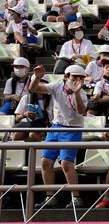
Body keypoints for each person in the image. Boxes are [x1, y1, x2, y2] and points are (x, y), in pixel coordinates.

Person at [29, 64, 88, 209]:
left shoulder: (83, 94)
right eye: (74, 77)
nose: (77, 80)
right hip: (55, 128)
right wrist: (37, 77)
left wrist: (77, 93)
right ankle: (50, 197)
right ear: (66, 77)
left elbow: (81, 111)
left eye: (80, 78)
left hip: (72, 129)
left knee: (66, 163)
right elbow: (33, 89)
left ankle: (76, 198)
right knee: (45, 162)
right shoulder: (56, 87)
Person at [12, 76, 52, 142]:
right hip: (29, 124)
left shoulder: (52, 98)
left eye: (42, 83)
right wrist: (24, 115)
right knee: (16, 135)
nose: (39, 85)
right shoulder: (26, 98)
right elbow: (17, 118)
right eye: (36, 83)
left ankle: (44, 147)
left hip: (45, 125)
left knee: (32, 134)